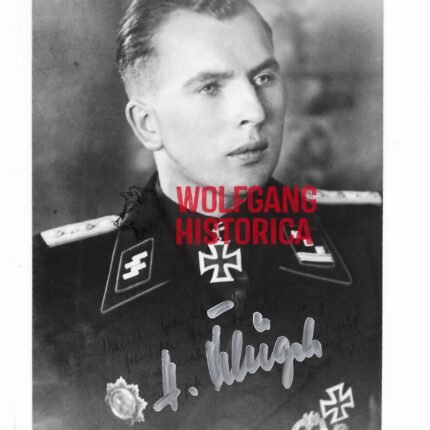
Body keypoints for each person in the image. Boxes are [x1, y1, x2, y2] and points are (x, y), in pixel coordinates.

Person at [33, 1, 382, 429]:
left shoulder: (372, 238)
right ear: (147, 125)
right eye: (211, 87)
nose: (254, 111)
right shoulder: (55, 280)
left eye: (264, 78)